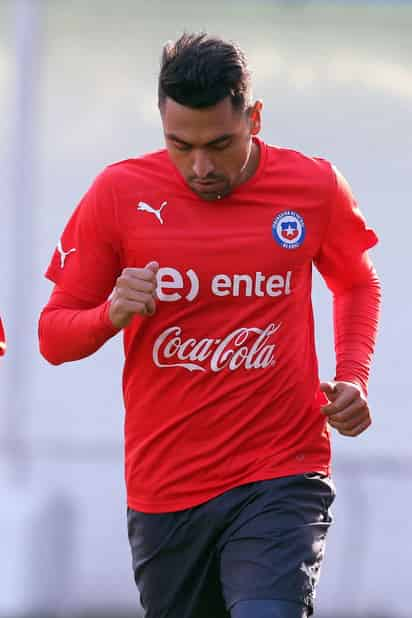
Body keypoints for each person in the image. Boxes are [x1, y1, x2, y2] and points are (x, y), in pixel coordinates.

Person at [38, 32, 381, 618]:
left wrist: (353, 374)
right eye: (180, 146)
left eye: (220, 144)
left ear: (255, 117)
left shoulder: (314, 188)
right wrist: (110, 314)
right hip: (167, 487)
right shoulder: (119, 194)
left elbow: (355, 281)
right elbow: (52, 337)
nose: (199, 167)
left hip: (283, 470)